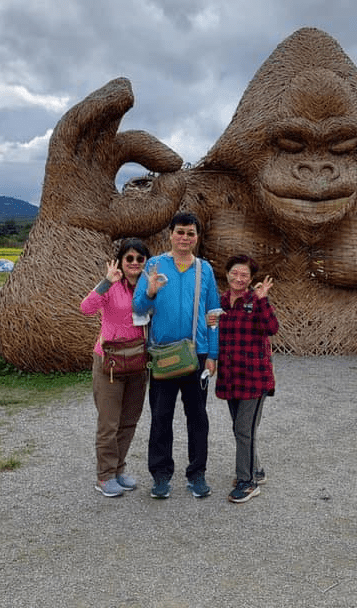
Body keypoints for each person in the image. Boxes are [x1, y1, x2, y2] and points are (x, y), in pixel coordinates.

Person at [133, 212, 220, 499]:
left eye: (190, 233)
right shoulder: (155, 264)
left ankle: (197, 474)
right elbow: (138, 308)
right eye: (180, 232)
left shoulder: (204, 269)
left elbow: (213, 314)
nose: (185, 238)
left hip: (196, 355)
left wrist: (213, 353)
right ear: (170, 234)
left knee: (197, 417)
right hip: (163, 355)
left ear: (197, 238)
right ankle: (160, 475)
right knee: (161, 416)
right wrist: (150, 291)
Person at [80, 238, 151, 497]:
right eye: (129, 258)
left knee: (129, 420)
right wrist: (106, 281)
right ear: (121, 261)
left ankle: (119, 469)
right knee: (109, 422)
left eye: (139, 259)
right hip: (109, 361)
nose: (134, 263)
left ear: (145, 262)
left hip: (137, 360)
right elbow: (86, 308)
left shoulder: (148, 287)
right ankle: (104, 475)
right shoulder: (111, 287)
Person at [208, 254, 278, 504]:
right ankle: (256, 470)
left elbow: (271, 328)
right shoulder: (220, 302)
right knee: (243, 428)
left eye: (244, 275)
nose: (239, 278)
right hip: (230, 376)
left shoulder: (255, 301)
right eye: (235, 273)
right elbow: (211, 332)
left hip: (255, 378)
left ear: (251, 279)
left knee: (243, 429)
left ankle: (247, 482)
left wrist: (263, 300)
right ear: (227, 274)